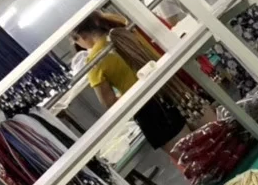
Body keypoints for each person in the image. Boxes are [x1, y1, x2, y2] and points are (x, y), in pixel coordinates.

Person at [72, 10, 185, 148]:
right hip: (169, 85)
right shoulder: (124, 29)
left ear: (81, 36)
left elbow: (109, 102)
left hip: (147, 108)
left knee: (184, 152)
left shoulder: (94, 60)